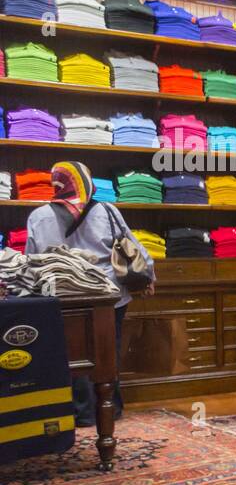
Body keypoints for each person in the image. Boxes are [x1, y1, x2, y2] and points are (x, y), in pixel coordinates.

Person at [24, 160, 155, 426]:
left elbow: (30, 261)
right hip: (108, 296)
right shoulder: (106, 210)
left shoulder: (39, 216)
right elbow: (132, 246)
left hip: (62, 298)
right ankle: (111, 408)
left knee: (70, 355)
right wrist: (148, 276)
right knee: (108, 351)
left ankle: (80, 412)